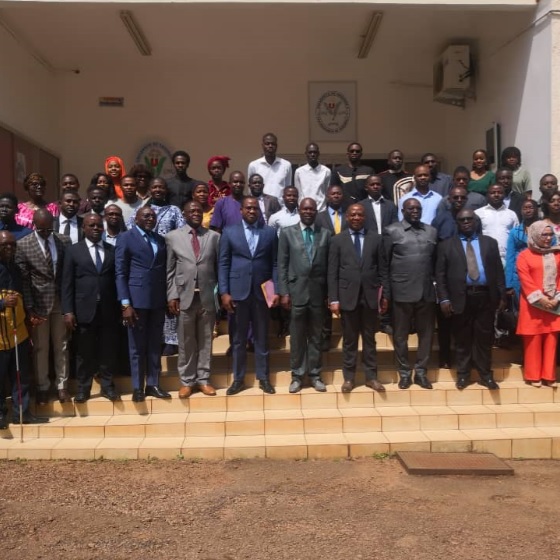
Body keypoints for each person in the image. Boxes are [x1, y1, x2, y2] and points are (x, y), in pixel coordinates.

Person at [436, 209, 505, 390]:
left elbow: (498, 271)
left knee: (484, 338)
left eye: (469, 219)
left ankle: (485, 375)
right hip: (460, 297)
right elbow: (440, 275)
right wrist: (443, 299)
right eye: (462, 220)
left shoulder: (489, 243)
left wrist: (501, 295)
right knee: (462, 339)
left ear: (475, 221)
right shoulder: (446, 245)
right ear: (457, 223)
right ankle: (463, 375)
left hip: (485, 297)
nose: (466, 222)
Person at [218, 197, 278, 395]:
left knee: (262, 337)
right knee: (238, 339)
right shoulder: (229, 232)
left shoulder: (269, 232)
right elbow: (224, 263)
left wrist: (274, 291)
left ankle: (263, 378)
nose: (252, 211)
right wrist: (224, 292)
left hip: (262, 293)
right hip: (237, 292)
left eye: (255, 208)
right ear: (241, 210)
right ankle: (238, 379)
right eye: (248, 208)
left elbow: (275, 264)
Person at [328, 204, 389, 393]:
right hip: (348, 297)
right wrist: (334, 299)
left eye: (359, 214)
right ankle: (349, 378)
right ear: (347, 216)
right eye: (352, 214)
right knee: (349, 340)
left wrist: (385, 295)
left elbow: (383, 270)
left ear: (365, 217)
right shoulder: (337, 240)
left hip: (370, 297)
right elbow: (332, 272)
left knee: (370, 339)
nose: (356, 217)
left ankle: (371, 377)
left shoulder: (376, 239)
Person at [61, 213, 121, 403]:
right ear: (83, 228)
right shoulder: (73, 251)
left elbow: (117, 280)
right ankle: (83, 389)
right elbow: (67, 284)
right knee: (84, 352)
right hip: (83, 310)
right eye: (91, 225)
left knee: (108, 350)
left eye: (98, 226)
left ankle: (107, 386)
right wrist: (68, 311)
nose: (96, 228)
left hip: (108, 310)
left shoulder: (112, 250)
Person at [15, 209, 71, 404]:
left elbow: (66, 275)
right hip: (39, 304)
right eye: (42, 230)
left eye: (49, 229)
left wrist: (69, 305)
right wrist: (29, 309)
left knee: (61, 345)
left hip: (60, 301)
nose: (46, 233)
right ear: (34, 225)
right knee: (40, 347)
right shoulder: (23, 245)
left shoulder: (64, 241)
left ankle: (62, 385)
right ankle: (42, 387)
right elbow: (25, 281)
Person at [125, 177, 185, 356]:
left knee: (169, 299)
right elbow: (131, 232)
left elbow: (181, 233)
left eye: (161, 187)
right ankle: (153, 340)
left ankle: (170, 341)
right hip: (145, 262)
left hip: (167, 258)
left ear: (166, 190)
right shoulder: (140, 211)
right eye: (154, 187)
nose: (158, 190)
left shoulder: (174, 210)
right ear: (149, 190)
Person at [116, 206, 170, 403]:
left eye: (153, 216)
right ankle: (138, 387)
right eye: (145, 216)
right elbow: (120, 272)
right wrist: (125, 304)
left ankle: (153, 384)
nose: (150, 219)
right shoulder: (126, 238)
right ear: (136, 218)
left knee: (155, 344)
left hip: (156, 300)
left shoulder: (160, 239)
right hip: (135, 302)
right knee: (137, 346)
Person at [166, 201, 220, 398]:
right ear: (184, 214)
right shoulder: (172, 237)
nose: (196, 213)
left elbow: (219, 268)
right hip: (184, 297)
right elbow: (170, 270)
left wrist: (220, 295)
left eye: (199, 210)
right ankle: (187, 381)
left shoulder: (214, 237)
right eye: (192, 211)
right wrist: (171, 295)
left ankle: (204, 380)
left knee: (206, 340)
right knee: (186, 341)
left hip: (207, 296)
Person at [384, 199, 437, 390]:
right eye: (411, 208)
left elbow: (436, 262)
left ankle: (421, 373)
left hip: (426, 292)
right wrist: (387, 294)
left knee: (426, 335)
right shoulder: (392, 231)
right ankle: (404, 373)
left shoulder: (431, 231)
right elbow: (385, 263)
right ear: (403, 211)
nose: (415, 211)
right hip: (402, 291)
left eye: (418, 208)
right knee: (400, 336)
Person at [278, 198, 330, 393]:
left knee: (316, 337)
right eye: (305, 208)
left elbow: (329, 268)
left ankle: (315, 374)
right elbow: (281, 264)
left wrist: (329, 294)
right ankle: (297, 376)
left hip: (318, 294)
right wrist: (283, 291)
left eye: (312, 209)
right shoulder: (287, 233)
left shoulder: (325, 234)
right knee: (297, 337)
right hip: (295, 293)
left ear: (316, 212)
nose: (308, 212)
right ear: (299, 211)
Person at [0, 231, 46, 426]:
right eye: (5, 245)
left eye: (12, 245)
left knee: (21, 375)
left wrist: (30, 315)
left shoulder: (17, 270)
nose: (9, 248)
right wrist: (1, 303)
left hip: (18, 330)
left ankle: (23, 412)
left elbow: (23, 296)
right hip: (0, 334)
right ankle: (1, 414)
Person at [516, 221, 560, 387]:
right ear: (534, 234)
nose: (548, 238)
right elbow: (525, 280)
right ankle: (534, 376)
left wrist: (556, 298)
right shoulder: (524, 256)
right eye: (544, 234)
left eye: (550, 235)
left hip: (554, 303)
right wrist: (541, 299)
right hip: (532, 305)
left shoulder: (557, 254)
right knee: (533, 340)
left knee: (551, 339)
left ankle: (549, 376)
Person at [475, 184, 519, 266]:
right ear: (487, 195)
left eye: (499, 192)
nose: (496, 195)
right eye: (493, 193)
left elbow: (516, 237)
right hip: (485, 257)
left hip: (507, 258)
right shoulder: (478, 213)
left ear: (504, 195)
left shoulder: (511, 214)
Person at [506, 199, 540, 299]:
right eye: (525, 208)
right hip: (519, 275)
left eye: (531, 207)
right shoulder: (514, 232)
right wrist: (509, 284)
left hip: (539, 273)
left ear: (536, 210)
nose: (528, 210)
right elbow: (510, 257)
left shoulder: (545, 229)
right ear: (521, 211)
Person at [247, 133, 292, 204]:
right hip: (261, 207)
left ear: (276, 146)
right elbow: (250, 190)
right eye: (267, 144)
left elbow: (287, 189)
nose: (270, 146)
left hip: (280, 207)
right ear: (262, 146)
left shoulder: (286, 165)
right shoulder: (254, 165)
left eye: (273, 144)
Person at [294, 143, 331, 212]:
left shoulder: (326, 171)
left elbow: (327, 193)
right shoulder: (299, 172)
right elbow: (298, 193)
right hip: (304, 211)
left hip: (321, 210)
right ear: (306, 154)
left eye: (315, 152)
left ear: (318, 153)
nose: (312, 154)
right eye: (310, 152)